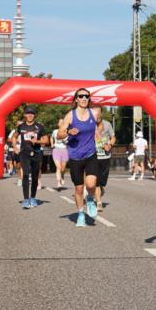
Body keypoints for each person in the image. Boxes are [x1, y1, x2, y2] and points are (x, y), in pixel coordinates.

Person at [58, 89, 99, 227]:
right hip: (75, 156)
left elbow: (99, 124)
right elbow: (59, 134)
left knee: (91, 184)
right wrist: (68, 131)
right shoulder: (70, 115)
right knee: (79, 189)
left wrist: (98, 134)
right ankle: (81, 213)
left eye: (86, 96)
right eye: (81, 96)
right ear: (76, 99)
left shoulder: (94, 113)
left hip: (90, 153)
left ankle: (91, 199)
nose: (84, 98)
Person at [10, 107, 49, 209]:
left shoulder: (39, 127)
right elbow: (14, 137)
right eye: (28, 113)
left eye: (32, 113)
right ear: (25, 115)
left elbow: (46, 140)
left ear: (34, 115)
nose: (30, 115)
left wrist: (38, 141)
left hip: (36, 153)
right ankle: (26, 199)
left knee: (35, 177)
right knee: (26, 175)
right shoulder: (21, 126)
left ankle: (33, 198)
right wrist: (15, 148)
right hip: (24, 154)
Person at [92, 106, 115, 211]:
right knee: (95, 180)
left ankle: (101, 189)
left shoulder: (107, 124)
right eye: (94, 112)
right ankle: (99, 202)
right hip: (93, 156)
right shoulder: (89, 124)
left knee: (102, 182)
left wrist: (109, 145)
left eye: (98, 112)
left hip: (105, 156)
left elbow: (113, 137)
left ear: (101, 113)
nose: (96, 114)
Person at [51, 121, 69, 189]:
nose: (61, 124)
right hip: (56, 150)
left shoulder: (67, 132)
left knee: (63, 168)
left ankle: (62, 175)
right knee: (58, 167)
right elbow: (51, 138)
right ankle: (58, 182)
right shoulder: (55, 131)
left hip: (64, 150)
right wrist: (52, 144)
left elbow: (69, 141)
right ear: (58, 124)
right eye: (60, 122)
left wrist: (64, 140)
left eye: (62, 123)